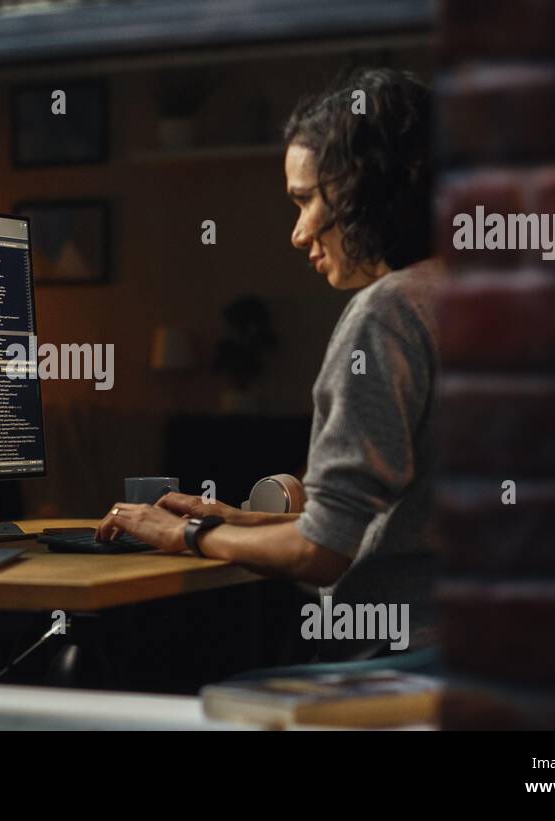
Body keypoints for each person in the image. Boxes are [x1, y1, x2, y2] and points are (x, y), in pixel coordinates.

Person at [96, 67, 443, 660]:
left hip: (394, 666)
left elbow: (322, 553)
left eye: (306, 200)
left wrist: (186, 533)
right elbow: (377, 521)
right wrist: (239, 521)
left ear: (364, 188)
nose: (298, 233)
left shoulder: (387, 313)